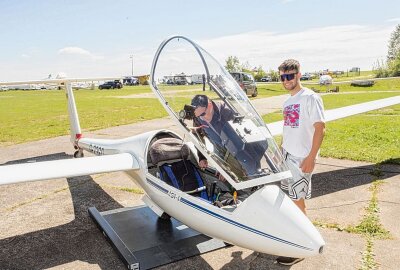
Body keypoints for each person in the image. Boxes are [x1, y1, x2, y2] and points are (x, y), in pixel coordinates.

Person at [276, 59, 325, 266]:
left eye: (290, 76)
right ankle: (296, 237)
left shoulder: (310, 98)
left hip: (301, 159)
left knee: (298, 202)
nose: (286, 80)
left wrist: (311, 157)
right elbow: (289, 128)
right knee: (291, 200)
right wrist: (281, 149)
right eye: (283, 76)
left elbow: (320, 128)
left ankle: (301, 246)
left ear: (298, 75)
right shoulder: (287, 102)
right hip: (287, 156)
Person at [190, 94, 264, 180]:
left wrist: (229, 170)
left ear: (210, 105)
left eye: (203, 113)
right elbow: (198, 136)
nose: (203, 118)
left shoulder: (227, 113)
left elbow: (241, 143)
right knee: (227, 181)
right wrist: (202, 157)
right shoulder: (198, 118)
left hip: (240, 149)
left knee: (251, 175)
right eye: (199, 116)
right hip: (220, 150)